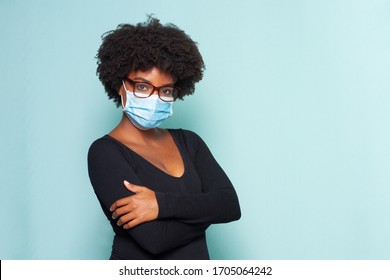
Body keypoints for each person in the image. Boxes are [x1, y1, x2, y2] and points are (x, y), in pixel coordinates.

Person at [87, 17, 241, 260]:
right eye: (143, 86)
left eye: (165, 90)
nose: (155, 98)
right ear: (120, 85)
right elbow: (156, 240)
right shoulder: (105, 153)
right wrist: (208, 210)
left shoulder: (190, 142)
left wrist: (161, 204)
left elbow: (230, 205)